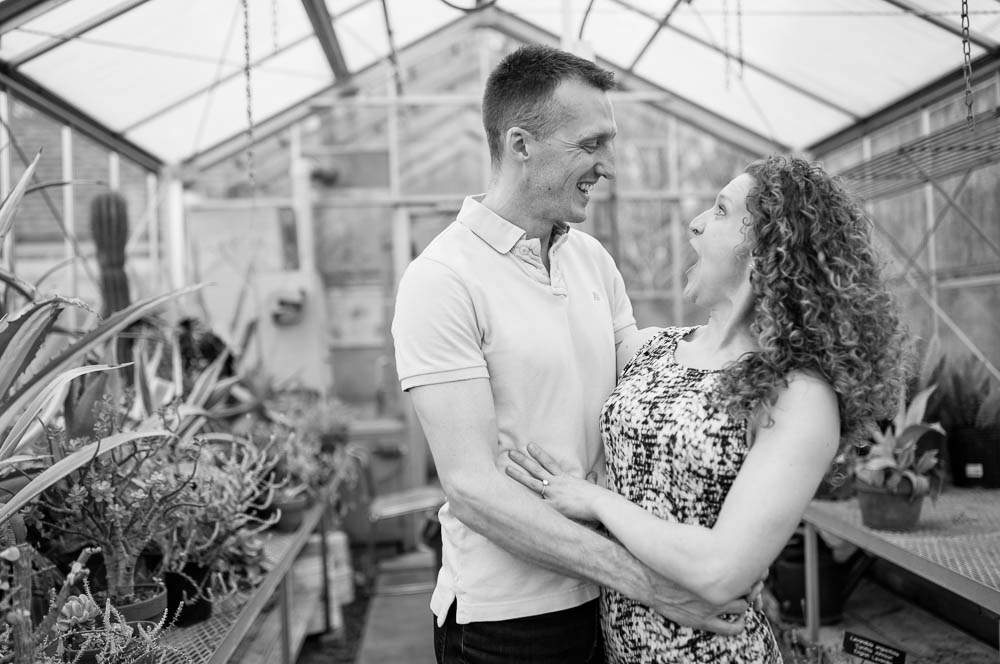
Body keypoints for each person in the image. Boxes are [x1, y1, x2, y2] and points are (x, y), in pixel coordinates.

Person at [392, 44, 755, 664]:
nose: (607, 165)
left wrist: (758, 342)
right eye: (591, 145)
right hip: (509, 623)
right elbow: (472, 486)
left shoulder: (590, 259)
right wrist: (645, 581)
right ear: (520, 145)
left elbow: (639, 368)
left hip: (608, 603)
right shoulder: (443, 279)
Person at [508, 155, 909, 663]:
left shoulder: (798, 393)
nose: (695, 222)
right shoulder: (652, 349)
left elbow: (721, 571)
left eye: (720, 211)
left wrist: (596, 500)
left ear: (769, 247)